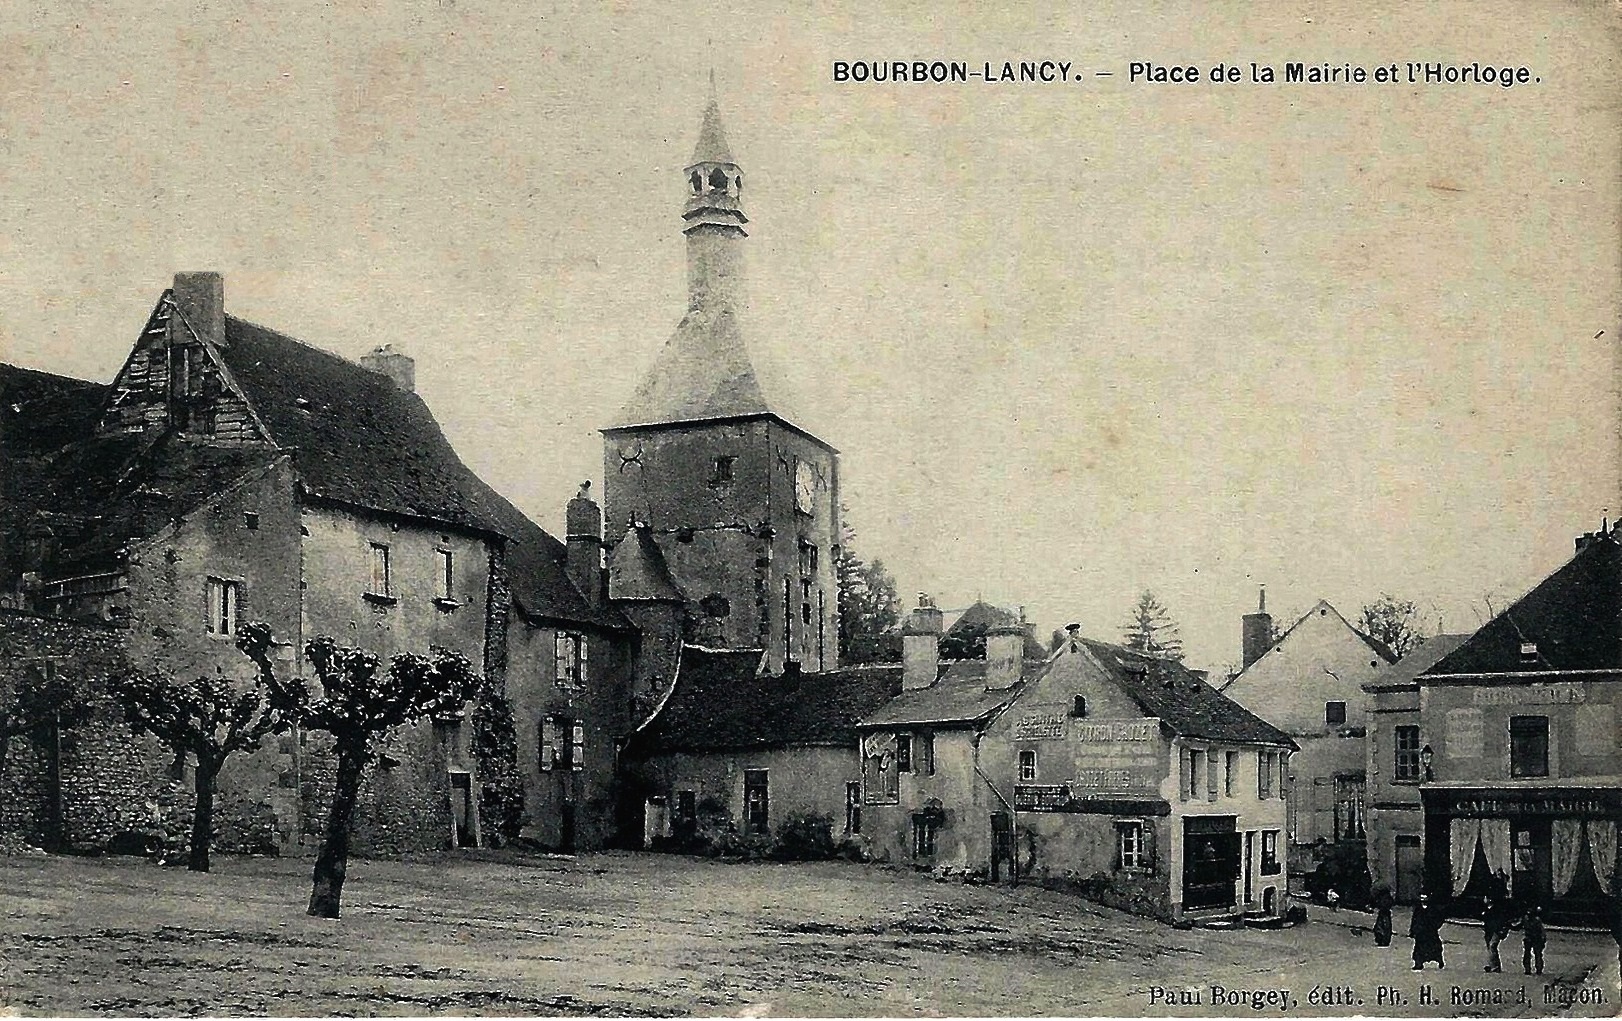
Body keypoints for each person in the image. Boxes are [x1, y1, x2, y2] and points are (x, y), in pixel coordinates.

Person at [1410, 893, 1446, 970]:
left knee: (1435, 947)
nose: (1423, 900)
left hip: (1430, 932)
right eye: (1421, 898)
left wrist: (1434, 926)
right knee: (1419, 949)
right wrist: (1413, 930)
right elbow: (1415, 919)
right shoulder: (1418, 909)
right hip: (1421, 933)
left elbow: (1439, 919)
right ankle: (1418, 963)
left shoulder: (1433, 909)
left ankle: (1439, 961)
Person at [1482, 891, 1514, 973]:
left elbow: (1499, 921)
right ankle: (1492, 965)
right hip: (1489, 931)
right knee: (1490, 948)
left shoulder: (1496, 910)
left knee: (1492, 946)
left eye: (1485, 898)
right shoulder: (1487, 909)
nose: (1484, 899)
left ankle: (1495, 966)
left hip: (1495, 931)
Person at [1519, 904, 1545, 976]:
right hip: (1532, 938)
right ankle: (1534, 968)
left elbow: (1541, 931)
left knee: (1534, 954)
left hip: (1534, 938)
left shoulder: (1533, 920)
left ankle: (1534, 968)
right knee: (1533, 954)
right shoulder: (1533, 919)